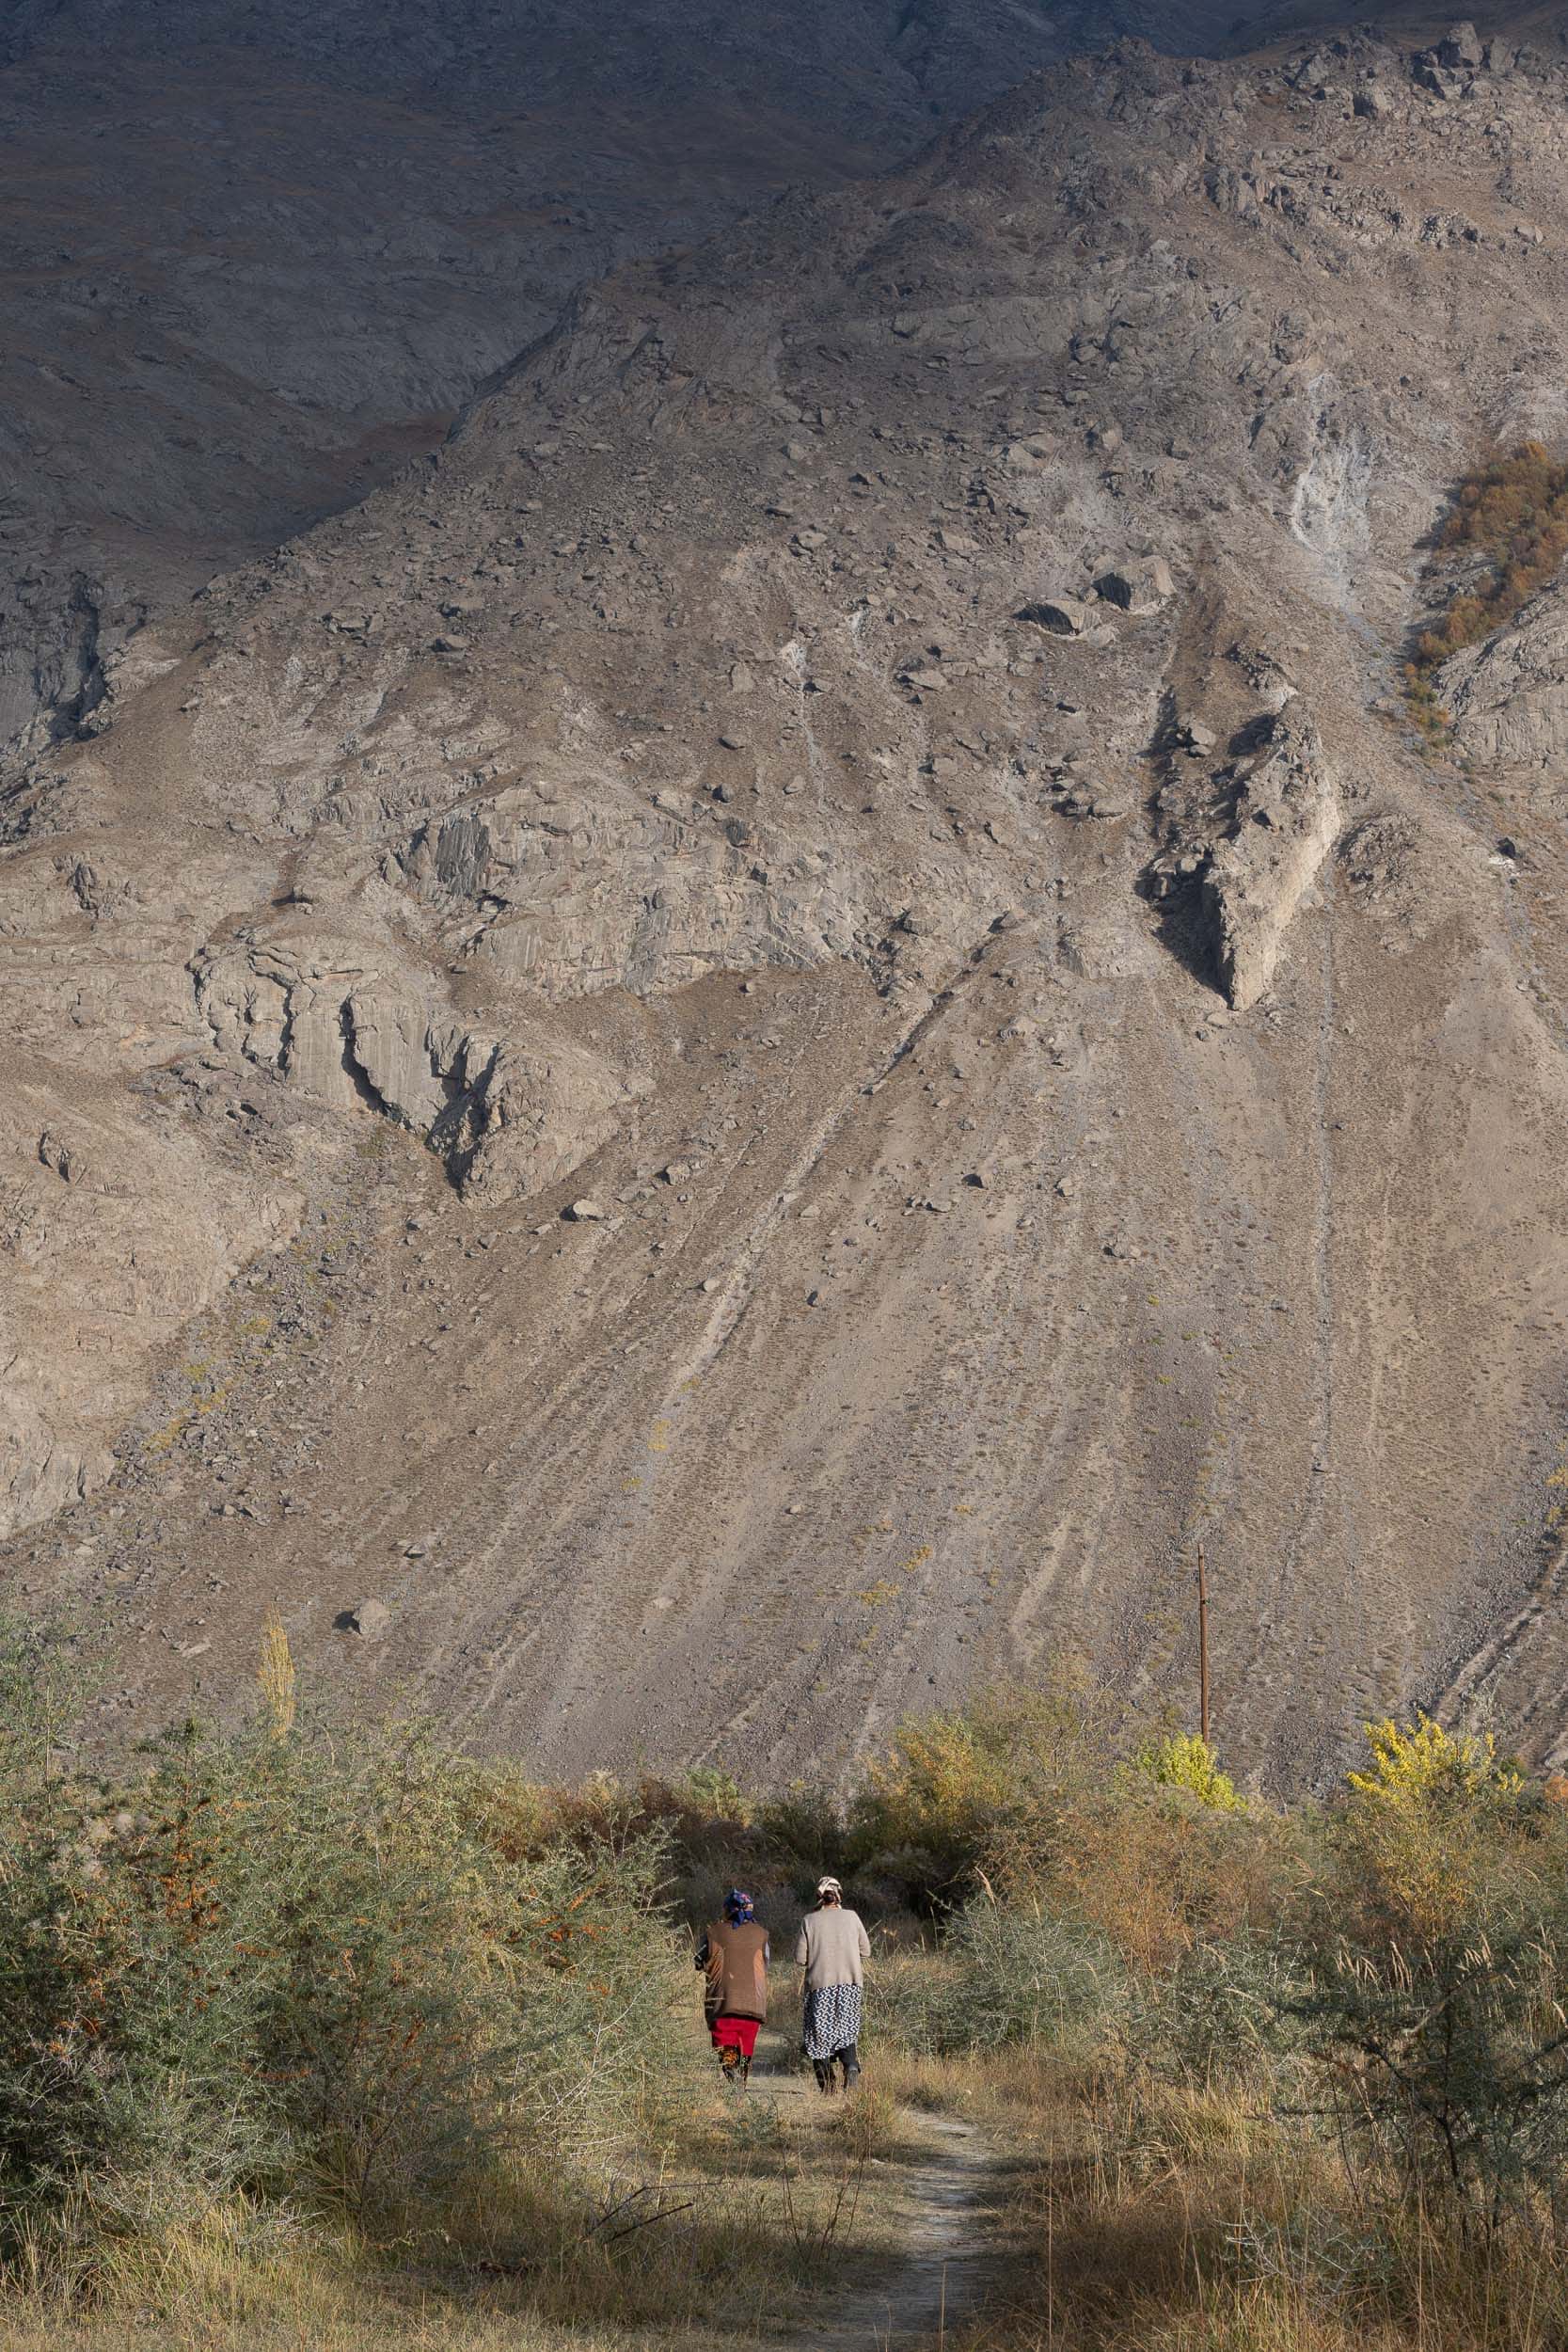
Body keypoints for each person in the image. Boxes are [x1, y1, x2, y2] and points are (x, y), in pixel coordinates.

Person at [795, 1874, 870, 2092]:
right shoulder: (853, 1917)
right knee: (846, 2030)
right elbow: (866, 1951)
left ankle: (828, 2087)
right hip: (850, 1985)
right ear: (839, 1895)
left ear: (819, 1896)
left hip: (820, 1987)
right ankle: (852, 2066)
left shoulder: (809, 1920)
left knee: (818, 2035)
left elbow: (800, 1959)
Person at [695, 1888, 769, 2084]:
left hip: (722, 2001)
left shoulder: (713, 1932)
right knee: (746, 2047)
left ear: (728, 1909)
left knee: (726, 2045)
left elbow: (697, 1961)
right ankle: (740, 2082)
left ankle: (732, 2077)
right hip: (753, 2003)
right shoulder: (761, 1934)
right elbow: (766, 1962)